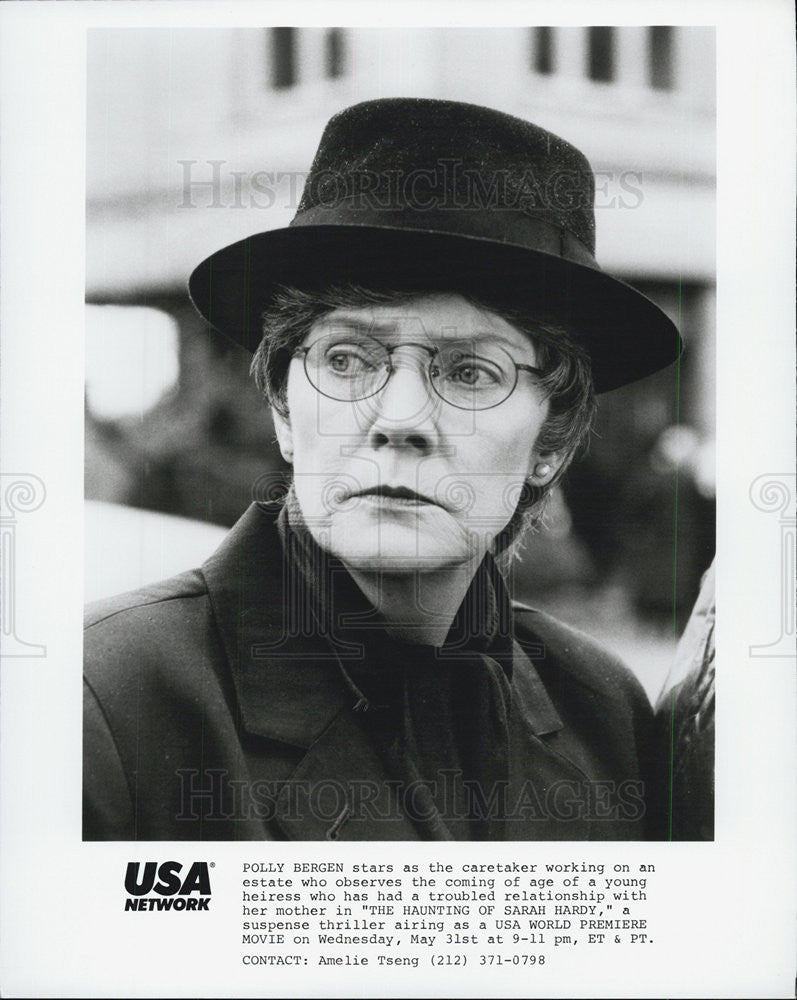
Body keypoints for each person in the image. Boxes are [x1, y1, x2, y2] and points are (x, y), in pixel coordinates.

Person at [83, 98, 681, 841]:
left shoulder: (602, 712)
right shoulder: (104, 700)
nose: (398, 418)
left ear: (550, 443)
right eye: (347, 359)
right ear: (281, 409)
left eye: (470, 371)